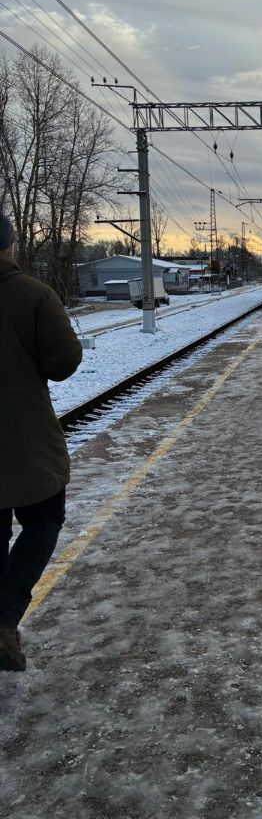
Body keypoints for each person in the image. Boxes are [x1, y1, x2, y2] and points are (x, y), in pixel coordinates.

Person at [0, 213, 82, 671]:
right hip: (23, 439)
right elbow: (63, 363)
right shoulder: (33, 294)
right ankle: (4, 619)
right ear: (9, 246)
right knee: (44, 520)